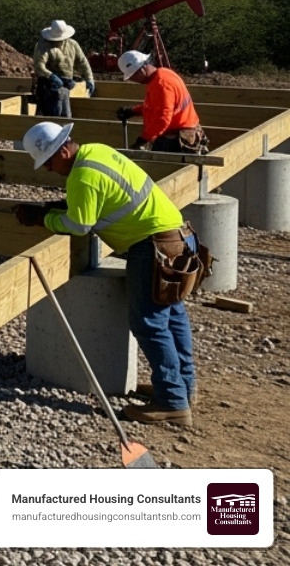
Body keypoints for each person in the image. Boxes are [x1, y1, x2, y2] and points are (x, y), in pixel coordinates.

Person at [16, 121, 198, 424]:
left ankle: (172, 402)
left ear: (63, 149)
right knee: (172, 315)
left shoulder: (82, 176)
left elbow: (79, 225)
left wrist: (43, 218)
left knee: (149, 324)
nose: (48, 169)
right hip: (177, 235)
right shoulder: (96, 152)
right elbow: (104, 198)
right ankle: (183, 389)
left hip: (152, 246)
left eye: (48, 161)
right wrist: (62, 205)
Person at [116, 50, 206, 153]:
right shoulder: (162, 74)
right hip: (182, 131)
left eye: (133, 76)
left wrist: (144, 139)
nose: (133, 80)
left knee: (160, 167)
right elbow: (158, 106)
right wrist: (133, 111)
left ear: (143, 68)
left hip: (177, 137)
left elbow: (163, 118)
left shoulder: (161, 84)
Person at [32, 18, 96, 117]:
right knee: (51, 113)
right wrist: (51, 76)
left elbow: (83, 62)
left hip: (66, 83)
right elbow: (39, 65)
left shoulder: (72, 44)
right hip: (48, 85)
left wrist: (89, 79)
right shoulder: (44, 45)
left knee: (64, 113)